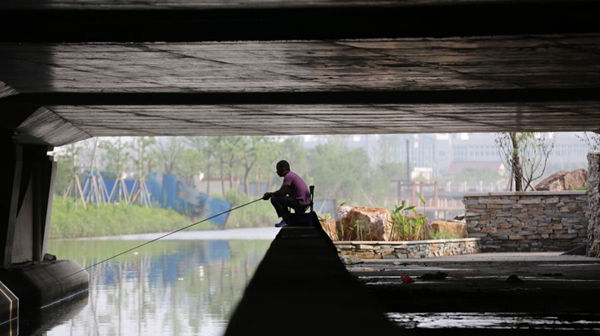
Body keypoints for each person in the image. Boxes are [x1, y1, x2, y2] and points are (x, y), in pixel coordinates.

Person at [262, 160, 311, 227]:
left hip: (300, 203)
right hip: (303, 203)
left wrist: (270, 194)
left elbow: (281, 193)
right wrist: (272, 194)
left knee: (274, 199)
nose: (277, 172)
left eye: (278, 169)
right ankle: (287, 218)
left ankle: (286, 220)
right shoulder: (291, 175)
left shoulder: (288, 176)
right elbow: (283, 193)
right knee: (279, 198)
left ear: (283, 169)